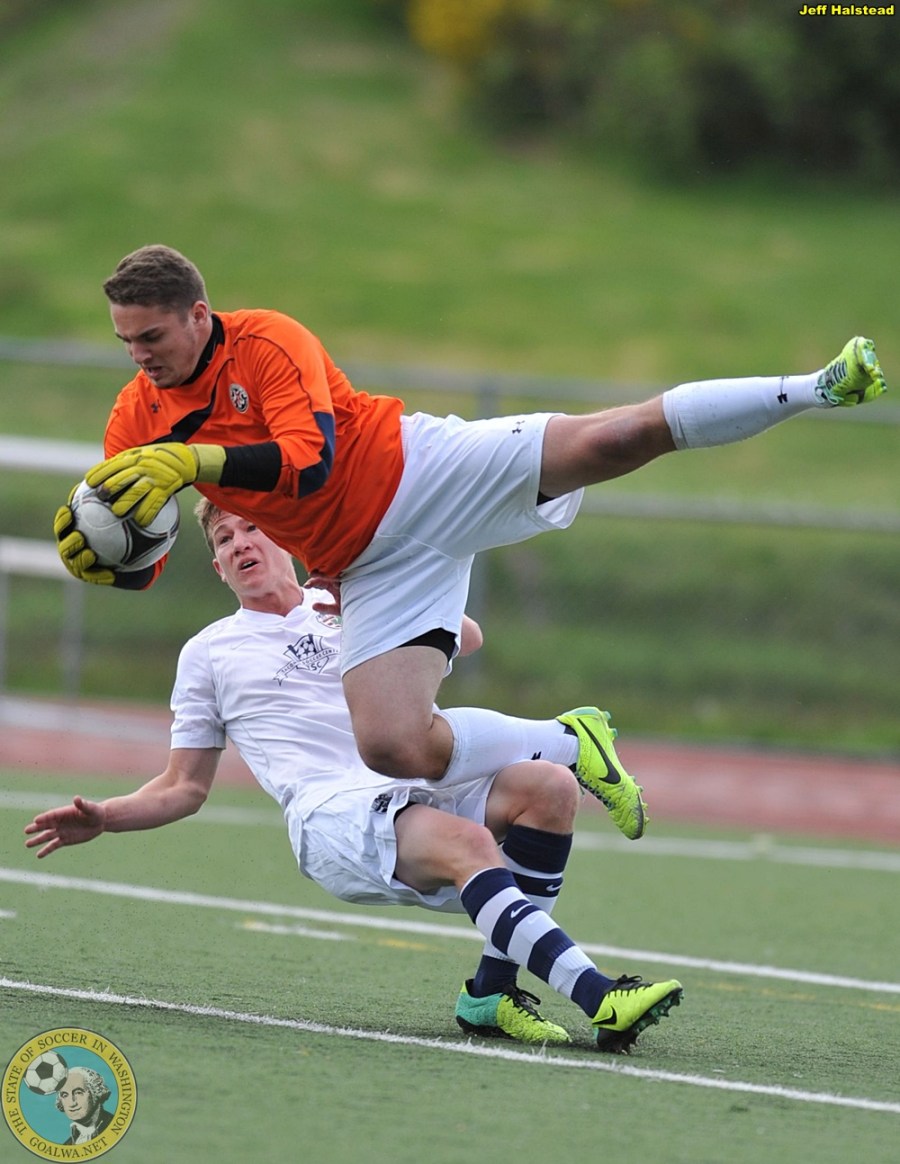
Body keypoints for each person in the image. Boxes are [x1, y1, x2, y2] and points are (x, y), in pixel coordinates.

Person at [53, 244, 887, 803]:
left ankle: (820, 384)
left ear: (200, 315)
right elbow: (148, 563)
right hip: (365, 568)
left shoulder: (268, 340)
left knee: (615, 438)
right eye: (125, 341)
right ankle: (569, 743)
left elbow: (307, 460)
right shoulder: (135, 416)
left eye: (151, 335)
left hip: (418, 473)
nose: (139, 355)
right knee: (391, 747)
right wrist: (105, 564)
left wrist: (194, 464)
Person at [29, 500, 683, 1052]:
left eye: (250, 528)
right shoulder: (210, 652)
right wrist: (107, 816)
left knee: (551, 791)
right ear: (218, 567)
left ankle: (490, 994)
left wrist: (368, 598)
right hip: (331, 811)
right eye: (224, 539)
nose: (239, 544)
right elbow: (184, 787)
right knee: (472, 848)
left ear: (283, 536)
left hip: (410, 779)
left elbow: (467, 634)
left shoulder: (336, 599)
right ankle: (599, 998)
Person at [55, 1067, 114, 1145]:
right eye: (65, 1095)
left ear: (96, 1092)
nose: (72, 1103)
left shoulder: (116, 1129)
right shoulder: (67, 1146)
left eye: (78, 1093)